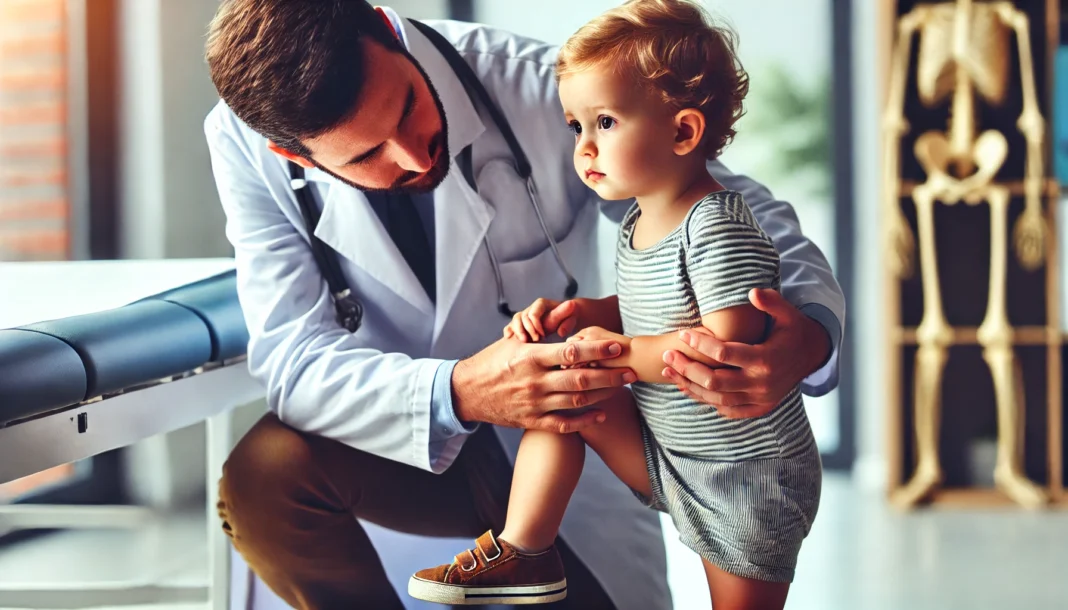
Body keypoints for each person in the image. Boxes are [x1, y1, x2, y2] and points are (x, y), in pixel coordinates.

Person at [202, 1, 844, 608]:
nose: (412, 152)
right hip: (406, 442)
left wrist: (809, 333)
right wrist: (461, 391)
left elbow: (732, 215)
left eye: (405, 109)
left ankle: (531, 552)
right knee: (265, 478)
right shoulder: (245, 143)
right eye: (366, 154)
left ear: (386, 30)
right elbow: (292, 359)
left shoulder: (553, 88)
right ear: (292, 154)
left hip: (573, 446)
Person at [407, 2, 819, 608]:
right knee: (564, 391)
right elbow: (657, 308)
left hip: (745, 479)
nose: (583, 149)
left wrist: (616, 349)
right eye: (575, 128)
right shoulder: (638, 223)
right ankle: (524, 551)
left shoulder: (716, 225)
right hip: (670, 453)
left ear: (682, 132)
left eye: (604, 123)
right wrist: (588, 316)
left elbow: (724, 342)